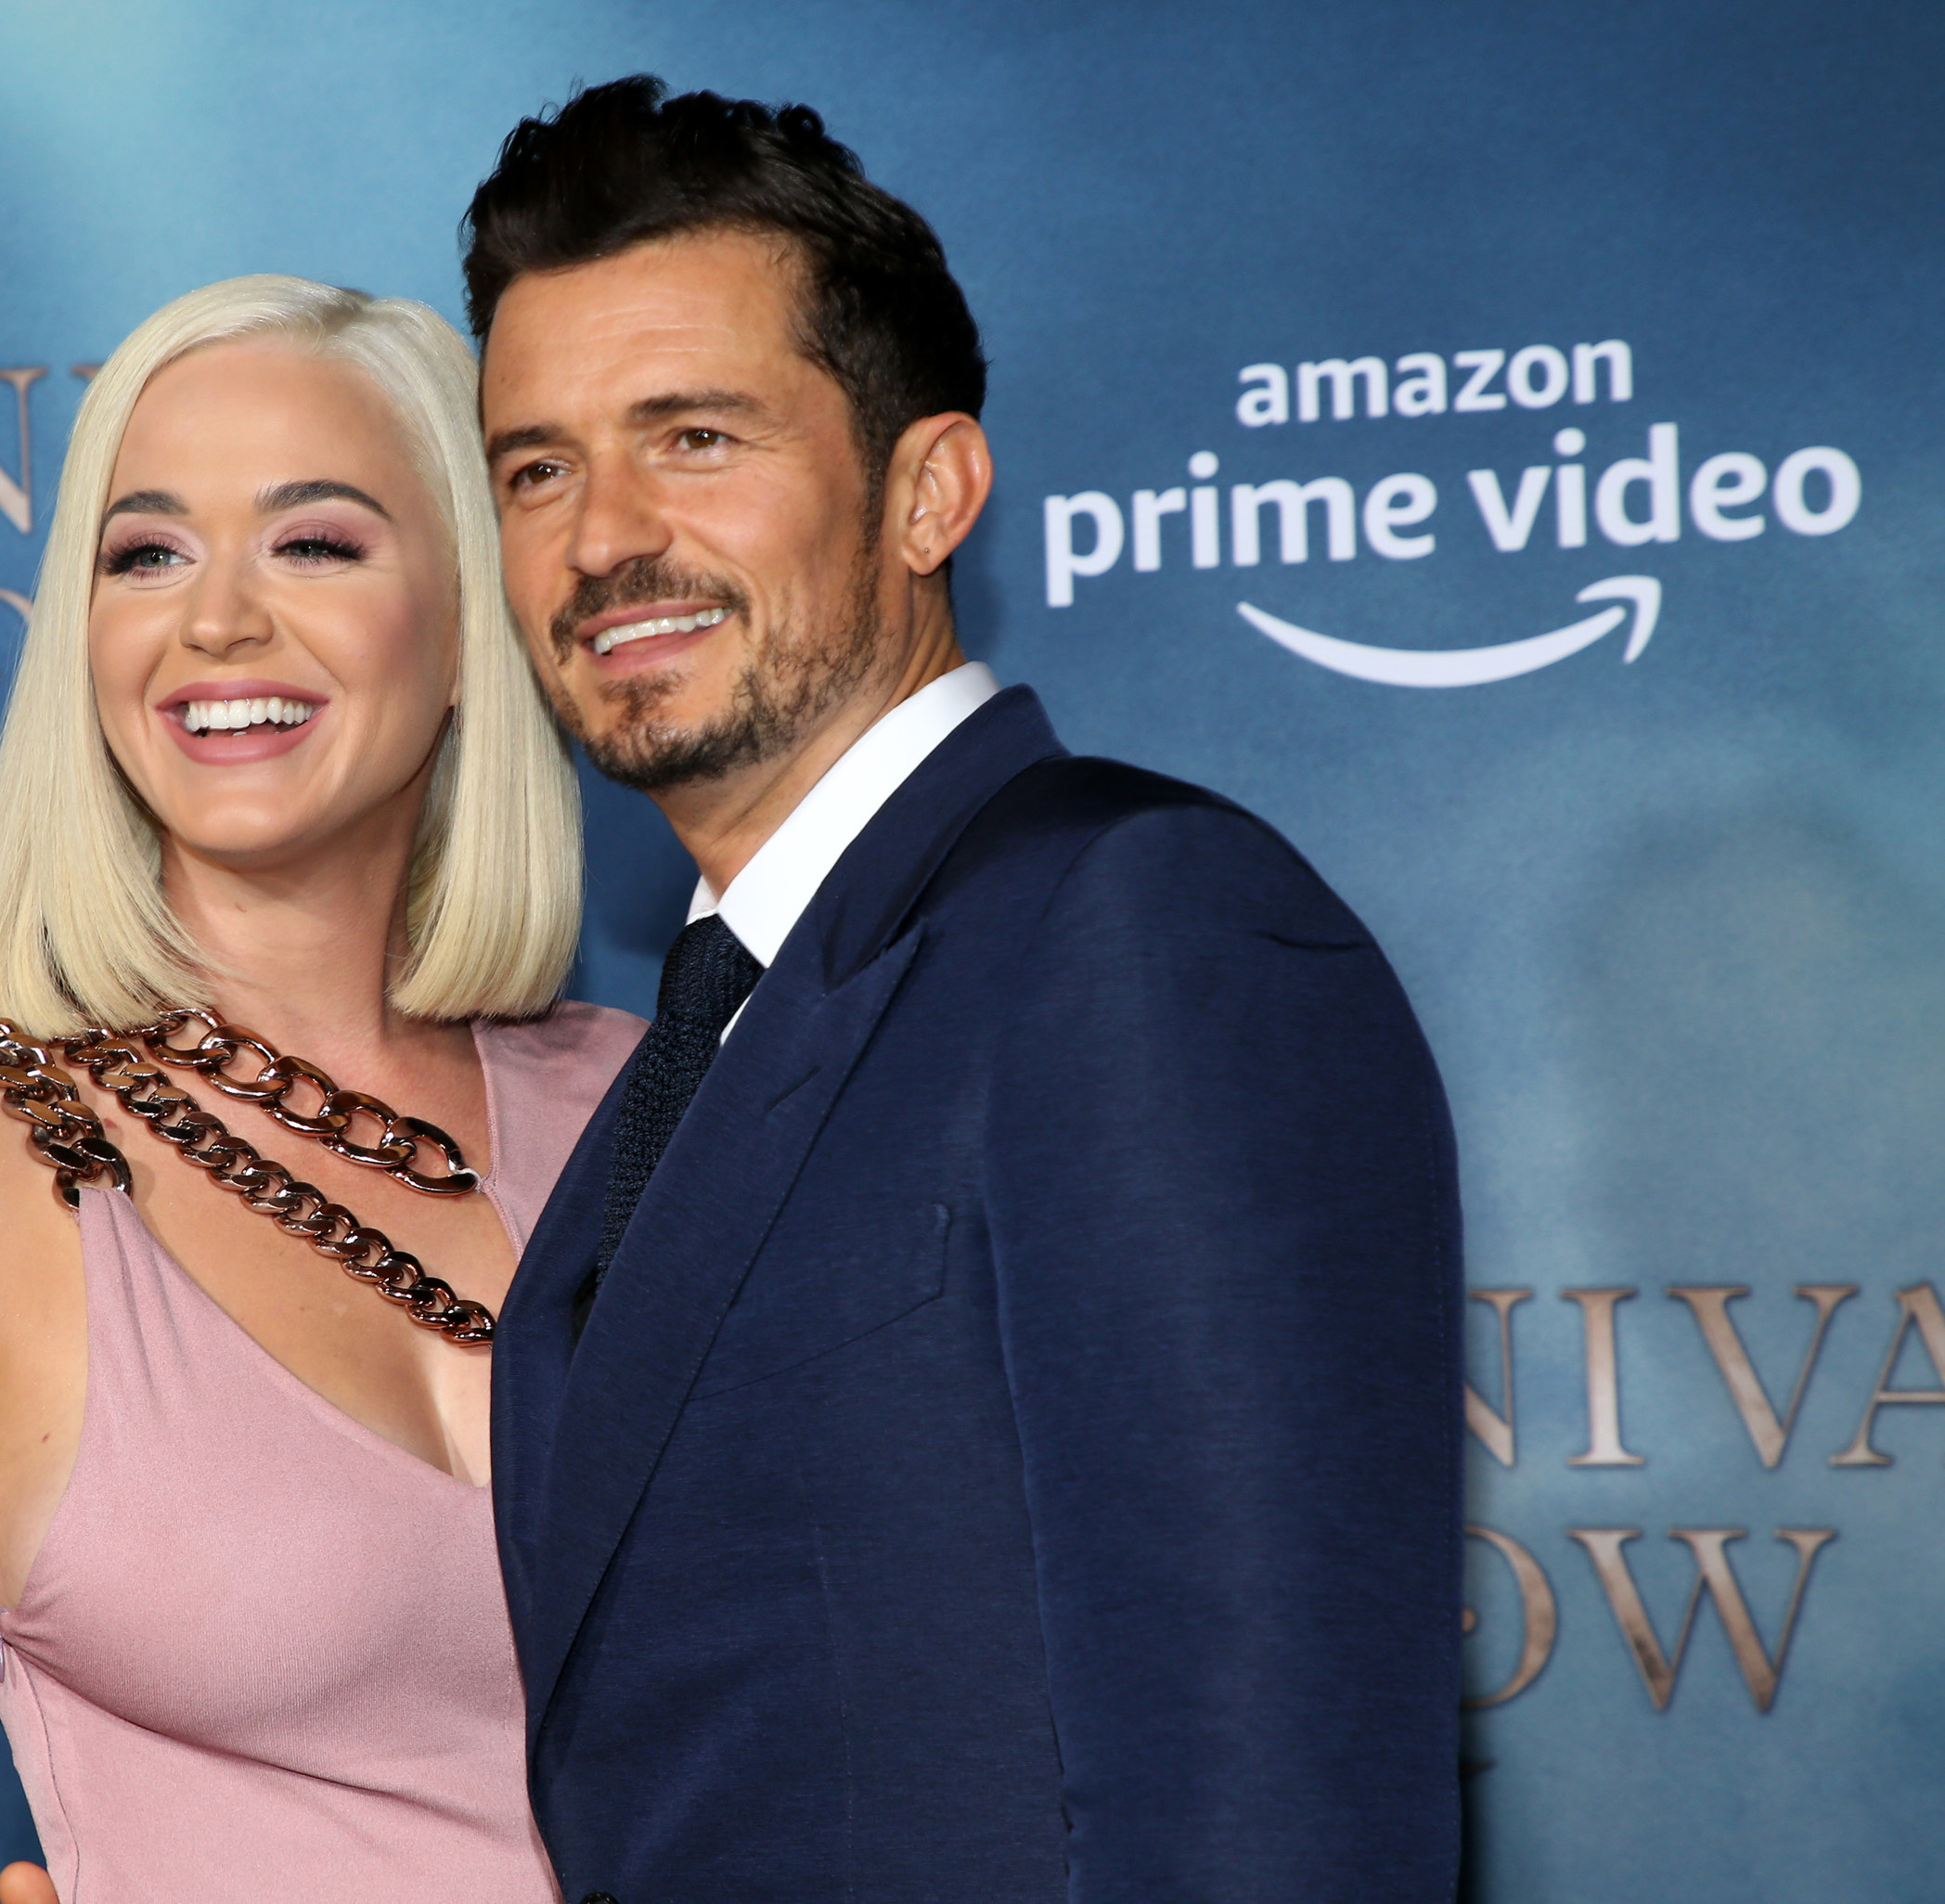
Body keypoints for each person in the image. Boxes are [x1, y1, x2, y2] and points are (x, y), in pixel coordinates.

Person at [464, 80, 1463, 1903]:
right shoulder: (692, 1041)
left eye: (693, 438)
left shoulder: (1144, 932)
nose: (604, 533)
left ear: (928, 490)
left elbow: (1273, 1801)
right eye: (538, 466)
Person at [0, 276, 641, 1904]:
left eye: (316, 543)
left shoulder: (656, 1109)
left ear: (468, 628)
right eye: (146, 553)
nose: (215, 620)